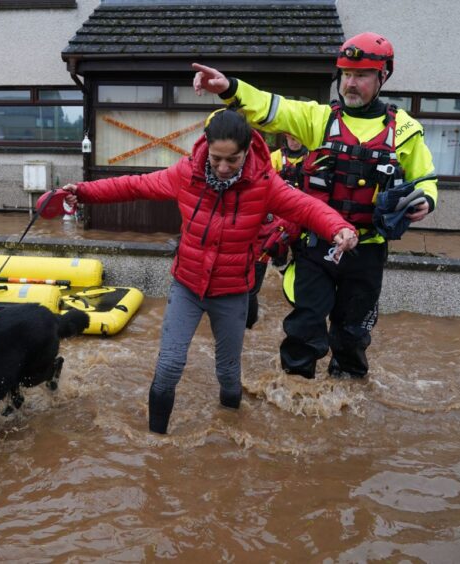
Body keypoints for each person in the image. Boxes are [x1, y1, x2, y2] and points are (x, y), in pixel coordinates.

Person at [42, 108, 357, 435]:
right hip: (187, 287)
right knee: (168, 367)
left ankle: (230, 431)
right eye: (216, 158)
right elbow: (135, 186)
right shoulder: (186, 174)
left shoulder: (264, 184)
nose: (222, 168)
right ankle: (156, 445)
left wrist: (339, 228)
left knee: (229, 373)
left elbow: (306, 207)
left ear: (247, 151)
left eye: (232, 160)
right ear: (206, 148)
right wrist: (84, 192)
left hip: (233, 292)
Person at [193, 31, 439, 379]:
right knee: (305, 325)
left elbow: (425, 178)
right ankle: (296, 394)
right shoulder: (318, 119)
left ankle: (347, 394)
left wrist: (426, 199)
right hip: (316, 247)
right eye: (346, 75)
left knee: (352, 333)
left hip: (366, 251)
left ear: (383, 76)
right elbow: (270, 107)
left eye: (362, 76)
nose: (350, 84)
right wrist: (231, 88)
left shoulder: (406, 130)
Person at [246, 133, 308, 329]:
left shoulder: (311, 158)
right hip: (278, 218)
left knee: (302, 257)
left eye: (297, 137)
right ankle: (278, 269)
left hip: (304, 215)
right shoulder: (274, 158)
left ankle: (296, 293)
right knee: (274, 253)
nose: (294, 140)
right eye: (290, 136)